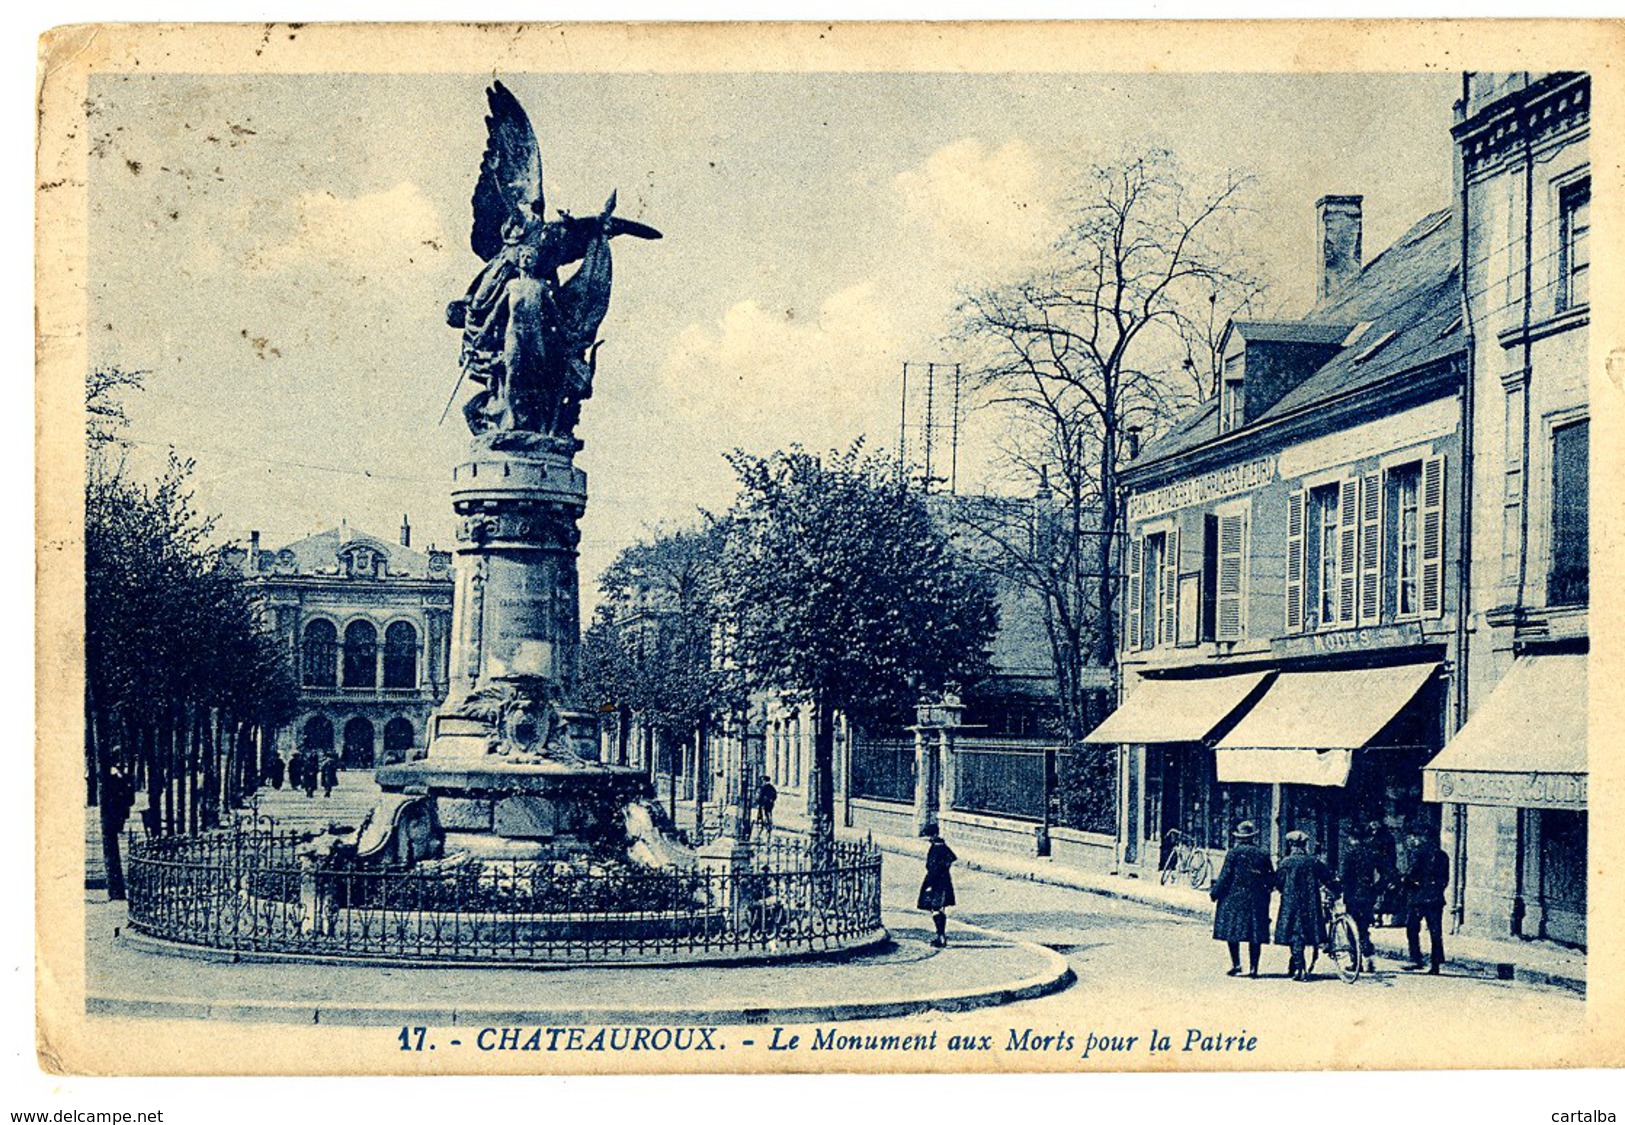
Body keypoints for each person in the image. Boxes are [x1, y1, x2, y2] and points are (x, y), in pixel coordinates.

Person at [1210, 820, 1274, 978]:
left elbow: (1225, 876)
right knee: (1255, 933)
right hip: (1256, 899)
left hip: (1235, 898)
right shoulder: (1263, 853)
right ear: (1252, 837)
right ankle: (1254, 968)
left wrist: (1215, 893)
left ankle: (1237, 964)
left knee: (1233, 931)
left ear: (1239, 838)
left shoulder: (1233, 853)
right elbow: (1271, 877)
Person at [1274, 830, 1338, 981]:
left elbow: (1279, 883)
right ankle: (1297, 964)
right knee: (1306, 931)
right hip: (1310, 904)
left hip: (1291, 903)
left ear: (1290, 845)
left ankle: (1299, 967)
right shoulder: (1313, 861)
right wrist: (1336, 891)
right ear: (1304, 845)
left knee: (1294, 933)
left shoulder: (1285, 863)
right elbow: (1327, 878)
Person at [1401, 829, 1451, 974]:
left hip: (1418, 898)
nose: (1415, 839)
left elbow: (1411, 873)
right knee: (1435, 931)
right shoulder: (1442, 855)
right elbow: (1445, 880)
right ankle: (1435, 964)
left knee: (1412, 928)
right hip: (1435, 898)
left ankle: (1416, 959)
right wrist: (1437, 890)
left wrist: (1406, 882)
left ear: (1424, 838)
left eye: (1417, 836)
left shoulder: (1418, 853)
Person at [1339, 824, 1385, 970]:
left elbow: (1344, 876)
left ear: (1353, 838)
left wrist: (1338, 888)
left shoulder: (1349, 853)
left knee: (1352, 929)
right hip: (1368, 896)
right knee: (1363, 928)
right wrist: (1377, 889)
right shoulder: (1373, 853)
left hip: (1352, 896)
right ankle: (1369, 956)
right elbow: (1389, 874)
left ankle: (1356, 961)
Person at [918, 833, 958, 947]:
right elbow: (952, 858)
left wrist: (930, 885)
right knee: (941, 908)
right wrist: (946, 867)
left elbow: (932, 868)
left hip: (935, 883)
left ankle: (941, 937)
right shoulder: (944, 847)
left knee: (935, 909)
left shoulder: (935, 849)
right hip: (945, 882)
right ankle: (941, 936)